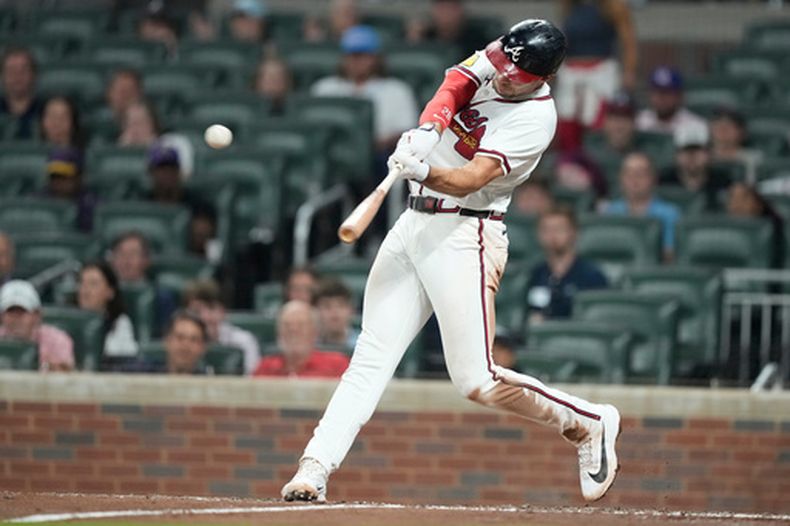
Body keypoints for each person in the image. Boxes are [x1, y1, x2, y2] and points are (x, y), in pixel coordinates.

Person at [281, 19, 621, 505]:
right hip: (414, 223)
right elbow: (455, 83)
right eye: (502, 63)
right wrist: (429, 127)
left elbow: (471, 178)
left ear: (542, 77)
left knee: (477, 380)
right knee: (370, 358)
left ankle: (588, 422)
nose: (501, 74)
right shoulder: (503, 53)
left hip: (466, 233)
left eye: (514, 73)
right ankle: (315, 467)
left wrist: (423, 167)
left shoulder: (535, 121)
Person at [311, 25, 419, 156]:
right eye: (351, 55)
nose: (356, 61)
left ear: (376, 58)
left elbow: (409, 133)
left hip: (380, 157)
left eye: (362, 55)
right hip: (330, 156)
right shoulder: (325, 88)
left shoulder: (397, 90)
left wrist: (373, 144)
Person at [554, 0, 638, 152]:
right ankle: (570, 163)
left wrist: (629, 71)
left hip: (601, 71)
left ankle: (597, 161)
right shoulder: (569, 6)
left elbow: (628, 42)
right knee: (567, 124)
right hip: (572, 72)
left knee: (598, 122)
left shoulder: (613, 6)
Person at [527, 206, 608, 323]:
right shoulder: (536, 274)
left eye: (559, 229)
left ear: (574, 232)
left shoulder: (592, 276)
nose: (552, 235)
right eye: (546, 230)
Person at [604, 152, 681, 261]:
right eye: (628, 174)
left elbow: (671, 254)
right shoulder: (610, 213)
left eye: (640, 174)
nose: (634, 180)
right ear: (621, 179)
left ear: (653, 178)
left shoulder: (670, 214)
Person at [145, 142, 217, 258]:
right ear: (151, 173)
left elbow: (208, 241)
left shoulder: (198, 204)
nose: (167, 175)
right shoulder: (142, 203)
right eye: (161, 170)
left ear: (179, 172)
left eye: (171, 169)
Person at [183, 279, 260, 375]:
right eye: (196, 311)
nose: (205, 317)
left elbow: (251, 381)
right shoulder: (180, 343)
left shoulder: (244, 342)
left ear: (223, 312)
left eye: (211, 309)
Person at [253, 300, 349, 378]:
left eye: (301, 325)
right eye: (287, 325)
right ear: (278, 332)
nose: (293, 330)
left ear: (314, 332)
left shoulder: (337, 365)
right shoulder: (265, 368)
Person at [108, 231, 177, 335]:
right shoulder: (105, 294)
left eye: (133, 254)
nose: (126, 260)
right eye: (120, 253)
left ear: (146, 260)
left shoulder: (161, 297)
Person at [0, 280, 74, 371]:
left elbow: (65, 375)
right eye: (11, 312)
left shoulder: (57, 340)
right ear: (1, 316)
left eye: (22, 312)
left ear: (37, 315)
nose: (16, 320)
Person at [78, 261, 139, 370]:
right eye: (82, 283)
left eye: (93, 284)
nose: (85, 290)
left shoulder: (120, 323)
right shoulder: (67, 323)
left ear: (110, 291)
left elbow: (126, 358)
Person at [659, 124, 731, 212]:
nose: (692, 156)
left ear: (709, 154)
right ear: (677, 155)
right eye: (686, 150)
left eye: (698, 150)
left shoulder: (723, 182)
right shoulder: (663, 182)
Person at [405, 0, 493, 59]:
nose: (446, 14)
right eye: (442, 8)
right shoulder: (425, 35)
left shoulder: (477, 39)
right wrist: (414, 38)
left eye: (451, 8)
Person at [726, 182, 784, 268]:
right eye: (732, 198)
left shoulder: (776, 234)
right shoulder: (722, 236)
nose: (737, 205)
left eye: (743, 198)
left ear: (758, 205)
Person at [636, 66, 707, 136]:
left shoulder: (695, 125)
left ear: (679, 96)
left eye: (666, 93)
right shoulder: (639, 121)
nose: (660, 98)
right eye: (656, 92)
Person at [41, 148, 98, 233]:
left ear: (78, 177)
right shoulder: (39, 201)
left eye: (64, 176)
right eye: (54, 176)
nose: (58, 182)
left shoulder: (91, 205)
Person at [0, 47, 43, 140]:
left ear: (34, 74)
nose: (17, 76)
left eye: (23, 70)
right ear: (2, 76)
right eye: (11, 71)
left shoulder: (47, 110)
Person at [313, 278, 359, 352]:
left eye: (341, 305)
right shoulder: (309, 347)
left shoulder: (363, 345)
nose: (334, 312)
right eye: (327, 306)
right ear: (317, 311)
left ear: (351, 310)